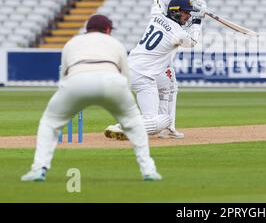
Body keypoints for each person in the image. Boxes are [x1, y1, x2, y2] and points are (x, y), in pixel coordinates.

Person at [21, 15, 162, 182]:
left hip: (76, 81)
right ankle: (148, 170)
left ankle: (39, 169)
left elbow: (63, 76)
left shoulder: (72, 43)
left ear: (86, 29)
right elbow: (126, 77)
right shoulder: (116, 44)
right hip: (113, 82)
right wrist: (126, 107)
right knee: (135, 124)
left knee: (50, 122)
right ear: (108, 30)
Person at [104, 0, 206, 140]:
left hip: (131, 67)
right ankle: (122, 127)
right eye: (186, 13)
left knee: (169, 85)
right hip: (144, 76)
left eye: (190, 14)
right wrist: (198, 19)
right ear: (176, 11)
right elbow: (193, 42)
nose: (188, 16)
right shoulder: (177, 32)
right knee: (153, 122)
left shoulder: (157, 14)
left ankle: (168, 130)